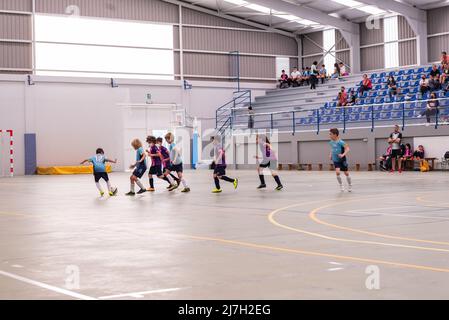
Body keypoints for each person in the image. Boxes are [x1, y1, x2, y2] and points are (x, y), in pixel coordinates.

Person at [328, 128, 352, 192]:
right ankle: (341, 185)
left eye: (330, 134)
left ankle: (350, 185)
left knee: (346, 173)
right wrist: (330, 154)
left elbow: (347, 149)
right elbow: (332, 149)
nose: (329, 136)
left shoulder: (341, 142)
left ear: (335, 134)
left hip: (342, 159)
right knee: (337, 172)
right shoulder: (331, 142)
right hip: (335, 159)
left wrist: (343, 154)